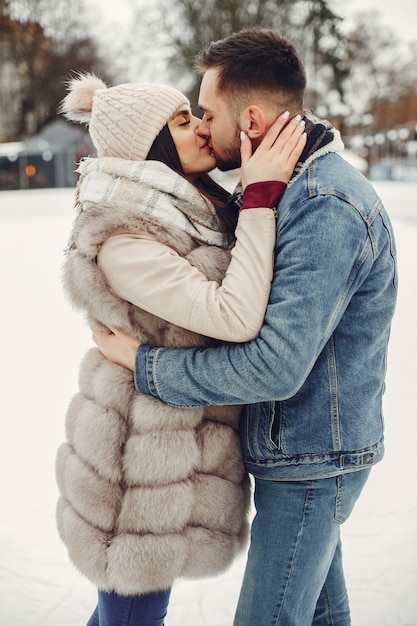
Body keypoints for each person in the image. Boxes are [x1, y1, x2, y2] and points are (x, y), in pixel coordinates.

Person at [93, 29, 398, 626]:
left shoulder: (325, 206)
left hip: (313, 457)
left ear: (252, 118)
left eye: (207, 113)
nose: (205, 128)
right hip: (294, 452)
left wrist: (147, 366)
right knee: (320, 617)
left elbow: (274, 366)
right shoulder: (285, 192)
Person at [56, 72, 306, 626]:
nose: (200, 128)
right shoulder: (127, 237)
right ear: (152, 146)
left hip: (174, 451)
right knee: (133, 613)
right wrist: (261, 198)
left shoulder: (184, 209)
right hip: (137, 463)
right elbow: (234, 316)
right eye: (182, 122)